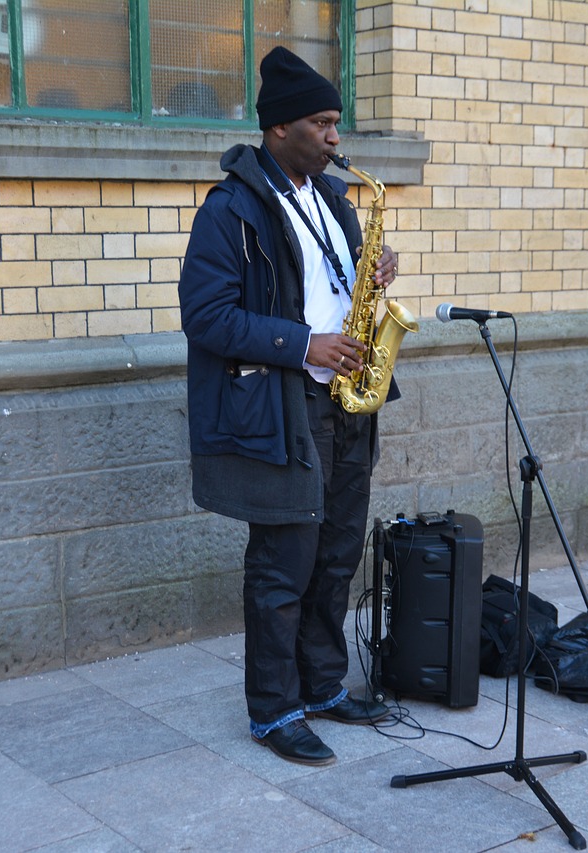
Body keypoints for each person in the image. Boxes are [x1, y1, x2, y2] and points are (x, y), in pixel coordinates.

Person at [178, 46, 400, 766]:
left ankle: (324, 685)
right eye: (322, 122)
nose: (336, 137)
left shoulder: (335, 202)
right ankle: (274, 710)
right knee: (283, 565)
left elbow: (343, 286)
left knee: (336, 554)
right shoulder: (232, 209)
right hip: (282, 399)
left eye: (336, 122)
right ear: (279, 129)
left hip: (347, 400)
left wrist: (376, 274)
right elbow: (206, 316)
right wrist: (304, 342)